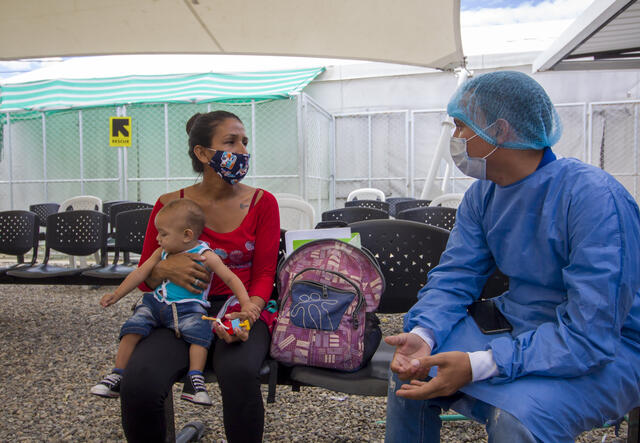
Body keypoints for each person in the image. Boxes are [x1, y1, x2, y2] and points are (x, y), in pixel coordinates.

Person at [384, 71, 640, 442]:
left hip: (607, 346)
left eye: (460, 126)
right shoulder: (483, 195)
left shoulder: (594, 198)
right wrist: (424, 332)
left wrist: (482, 364)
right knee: (412, 369)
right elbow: (455, 277)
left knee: (514, 420)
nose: (455, 139)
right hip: (521, 323)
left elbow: (591, 333)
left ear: (500, 131)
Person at [118, 110, 280, 443]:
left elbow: (265, 271)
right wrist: (163, 268)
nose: (243, 151)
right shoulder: (169, 206)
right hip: (180, 309)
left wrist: (250, 310)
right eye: (231, 142)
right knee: (140, 380)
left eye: (245, 142)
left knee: (238, 372)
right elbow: (147, 272)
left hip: (239, 306)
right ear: (203, 153)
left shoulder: (263, 203)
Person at [90, 198, 261, 406]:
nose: (158, 238)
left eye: (163, 234)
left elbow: (230, 278)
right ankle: (118, 374)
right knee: (133, 327)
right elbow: (140, 273)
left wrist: (246, 304)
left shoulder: (205, 255)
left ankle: (195, 378)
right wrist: (116, 295)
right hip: (157, 303)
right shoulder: (161, 252)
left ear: (187, 235)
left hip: (189, 307)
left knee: (200, 335)